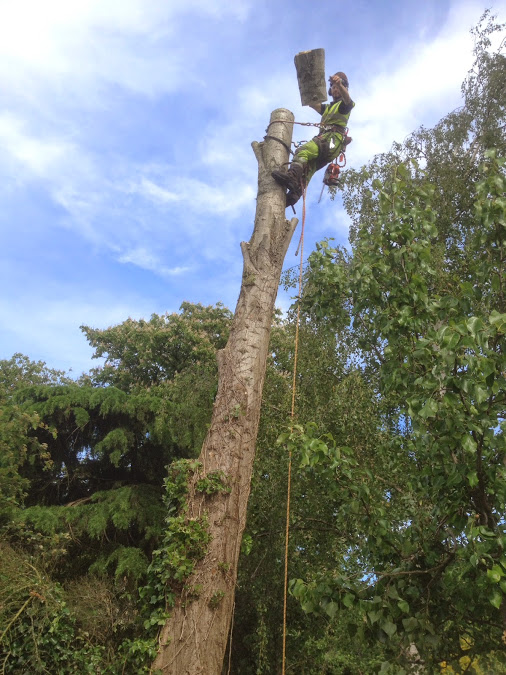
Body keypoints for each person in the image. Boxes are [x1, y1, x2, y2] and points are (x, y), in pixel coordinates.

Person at [272, 71, 354, 207]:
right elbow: (313, 104)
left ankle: (292, 177)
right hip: (330, 143)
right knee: (309, 166)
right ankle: (295, 194)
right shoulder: (328, 108)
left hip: (331, 140)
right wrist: (308, 89)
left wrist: (339, 83)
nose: (335, 89)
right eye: (333, 87)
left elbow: (348, 101)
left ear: (343, 88)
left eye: (338, 87)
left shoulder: (344, 106)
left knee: (303, 151)